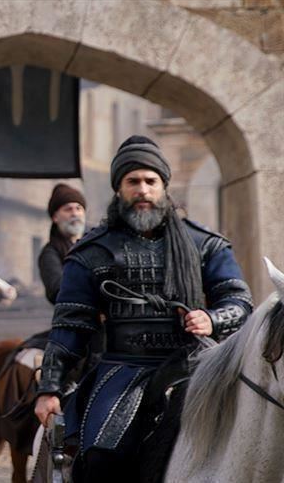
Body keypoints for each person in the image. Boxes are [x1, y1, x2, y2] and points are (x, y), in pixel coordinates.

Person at [33, 135, 253, 482]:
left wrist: (212, 318)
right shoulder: (92, 252)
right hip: (122, 368)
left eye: (151, 181)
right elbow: (70, 326)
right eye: (132, 181)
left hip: (197, 364)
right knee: (100, 455)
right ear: (119, 189)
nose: (143, 190)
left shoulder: (205, 244)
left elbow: (239, 300)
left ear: (164, 186)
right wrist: (49, 388)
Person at [38, 183, 86, 304]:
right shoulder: (50, 253)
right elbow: (57, 290)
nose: (74, 214)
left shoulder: (94, 245)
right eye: (68, 209)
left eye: (78, 208)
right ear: (55, 217)